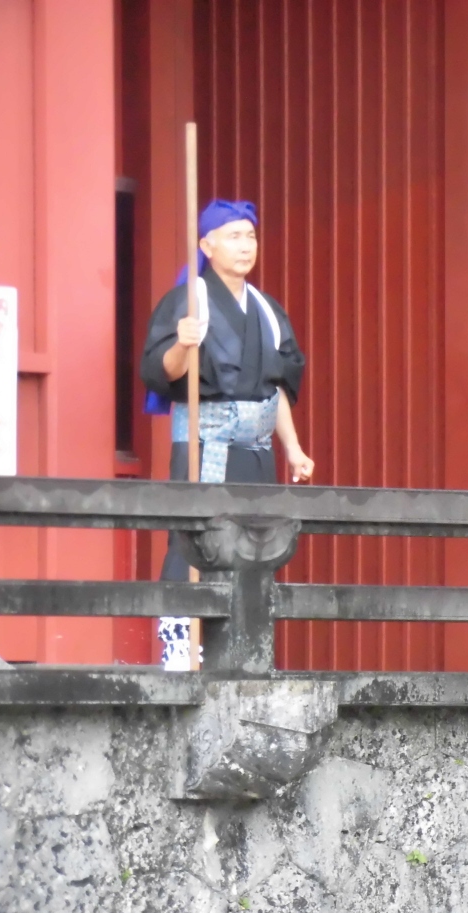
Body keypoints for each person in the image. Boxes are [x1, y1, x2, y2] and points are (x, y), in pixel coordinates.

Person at [140, 199, 313, 670]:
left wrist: (293, 449)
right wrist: (183, 344)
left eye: (250, 236)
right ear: (206, 245)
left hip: (256, 450)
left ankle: (242, 649)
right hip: (205, 445)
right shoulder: (187, 301)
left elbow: (274, 389)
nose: (245, 245)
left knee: (257, 540)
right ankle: (182, 648)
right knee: (196, 540)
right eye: (234, 236)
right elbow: (161, 371)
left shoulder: (266, 309)